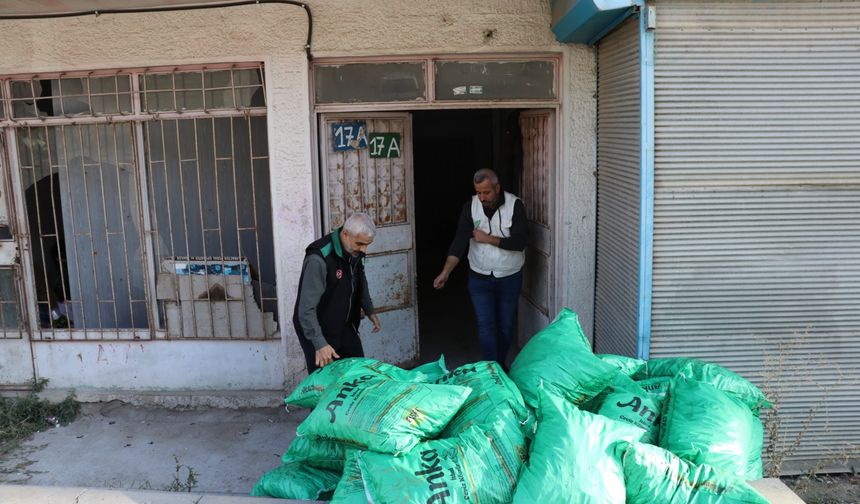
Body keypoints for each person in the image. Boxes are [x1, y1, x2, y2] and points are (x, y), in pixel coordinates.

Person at [433, 169, 527, 368]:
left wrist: (487, 239)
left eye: (487, 192)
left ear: (497, 188)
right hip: (479, 278)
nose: (482, 197)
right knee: (486, 327)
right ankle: (491, 370)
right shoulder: (470, 207)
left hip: (509, 276)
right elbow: (459, 242)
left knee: (505, 326)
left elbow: (520, 242)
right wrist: (445, 272)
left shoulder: (515, 205)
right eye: (479, 192)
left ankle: (500, 365)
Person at [293, 212, 382, 372]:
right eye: (360, 243)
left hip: (343, 324)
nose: (364, 249)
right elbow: (305, 310)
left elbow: (360, 280)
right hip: (317, 327)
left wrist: (369, 310)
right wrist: (320, 344)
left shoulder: (356, 251)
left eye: (367, 244)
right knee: (325, 383)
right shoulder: (319, 258)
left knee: (358, 373)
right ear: (346, 234)